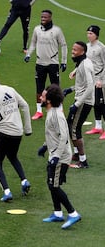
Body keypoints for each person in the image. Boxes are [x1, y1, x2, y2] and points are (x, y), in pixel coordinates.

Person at [0, 71, 32, 202]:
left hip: (4, 132)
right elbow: (25, 105)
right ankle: (24, 181)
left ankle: (7, 192)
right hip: (18, 132)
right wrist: (27, 129)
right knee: (12, 156)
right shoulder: (10, 89)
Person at [38, 84, 81, 229]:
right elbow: (53, 135)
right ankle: (57, 213)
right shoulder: (51, 111)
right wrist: (45, 146)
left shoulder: (57, 115)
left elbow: (64, 137)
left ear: (49, 100)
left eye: (43, 96)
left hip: (61, 156)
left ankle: (73, 213)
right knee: (51, 184)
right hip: (55, 153)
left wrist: (56, 156)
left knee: (54, 186)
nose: (40, 98)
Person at [24, 10, 67, 120]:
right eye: (42, 17)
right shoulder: (37, 29)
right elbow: (33, 43)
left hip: (53, 63)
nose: (43, 18)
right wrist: (29, 54)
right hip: (40, 63)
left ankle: (59, 107)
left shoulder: (57, 30)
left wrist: (63, 61)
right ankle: (39, 111)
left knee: (55, 87)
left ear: (50, 18)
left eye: (45, 17)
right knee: (39, 87)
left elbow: (63, 45)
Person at [63, 41, 94, 169]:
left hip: (84, 102)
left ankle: (83, 160)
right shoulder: (82, 63)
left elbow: (90, 86)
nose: (73, 52)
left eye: (75, 50)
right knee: (69, 125)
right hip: (81, 100)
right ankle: (76, 154)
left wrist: (77, 104)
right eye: (72, 49)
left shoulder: (85, 65)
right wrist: (70, 89)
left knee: (74, 129)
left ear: (83, 52)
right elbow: (82, 84)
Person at [83, 25, 105, 139]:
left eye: (91, 33)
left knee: (101, 103)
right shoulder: (87, 47)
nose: (88, 35)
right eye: (88, 33)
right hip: (90, 79)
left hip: (99, 80)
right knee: (95, 103)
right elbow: (85, 62)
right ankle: (98, 127)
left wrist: (101, 80)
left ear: (96, 35)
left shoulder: (101, 47)